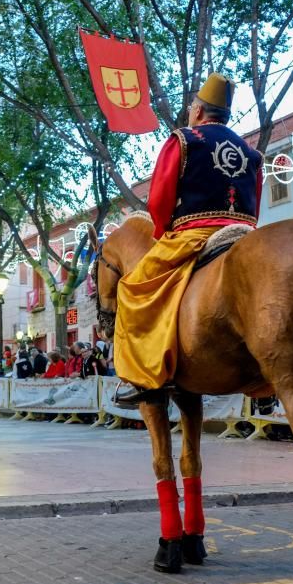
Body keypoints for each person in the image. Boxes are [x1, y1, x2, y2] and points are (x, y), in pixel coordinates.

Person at [112, 73, 261, 406]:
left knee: (133, 287)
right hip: (245, 233)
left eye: (192, 107)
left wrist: (164, 230)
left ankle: (143, 377)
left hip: (195, 233)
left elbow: (159, 199)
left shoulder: (183, 139)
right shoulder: (250, 152)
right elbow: (256, 203)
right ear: (225, 116)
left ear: (197, 111)